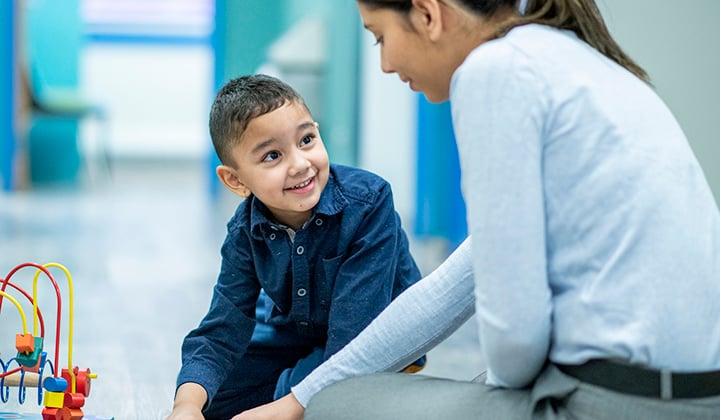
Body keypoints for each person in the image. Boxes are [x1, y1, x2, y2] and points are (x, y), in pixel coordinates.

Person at [234, 0, 720, 419]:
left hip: (612, 405)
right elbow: (445, 293)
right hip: (701, 398)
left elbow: (516, 349)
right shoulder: (582, 63)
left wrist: (310, 403)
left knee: (339, 406)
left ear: (427, 14)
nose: (384, 63)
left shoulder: (495, 71)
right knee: (339, 394)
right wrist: (298, 397)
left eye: (379, 37)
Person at [166, 74, 423, 420]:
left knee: (313, 395)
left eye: (306, 139)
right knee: (217, 393)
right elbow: (222, 328)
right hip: (299, 332)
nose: (300, 164)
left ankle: (360, 386)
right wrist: (186, 406)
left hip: (368, 338)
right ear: (236, 180)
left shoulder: (369, 202)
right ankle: (289, 384)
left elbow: (355, 339)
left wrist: (287, 403)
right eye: (272, 155)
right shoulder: (245, 230)